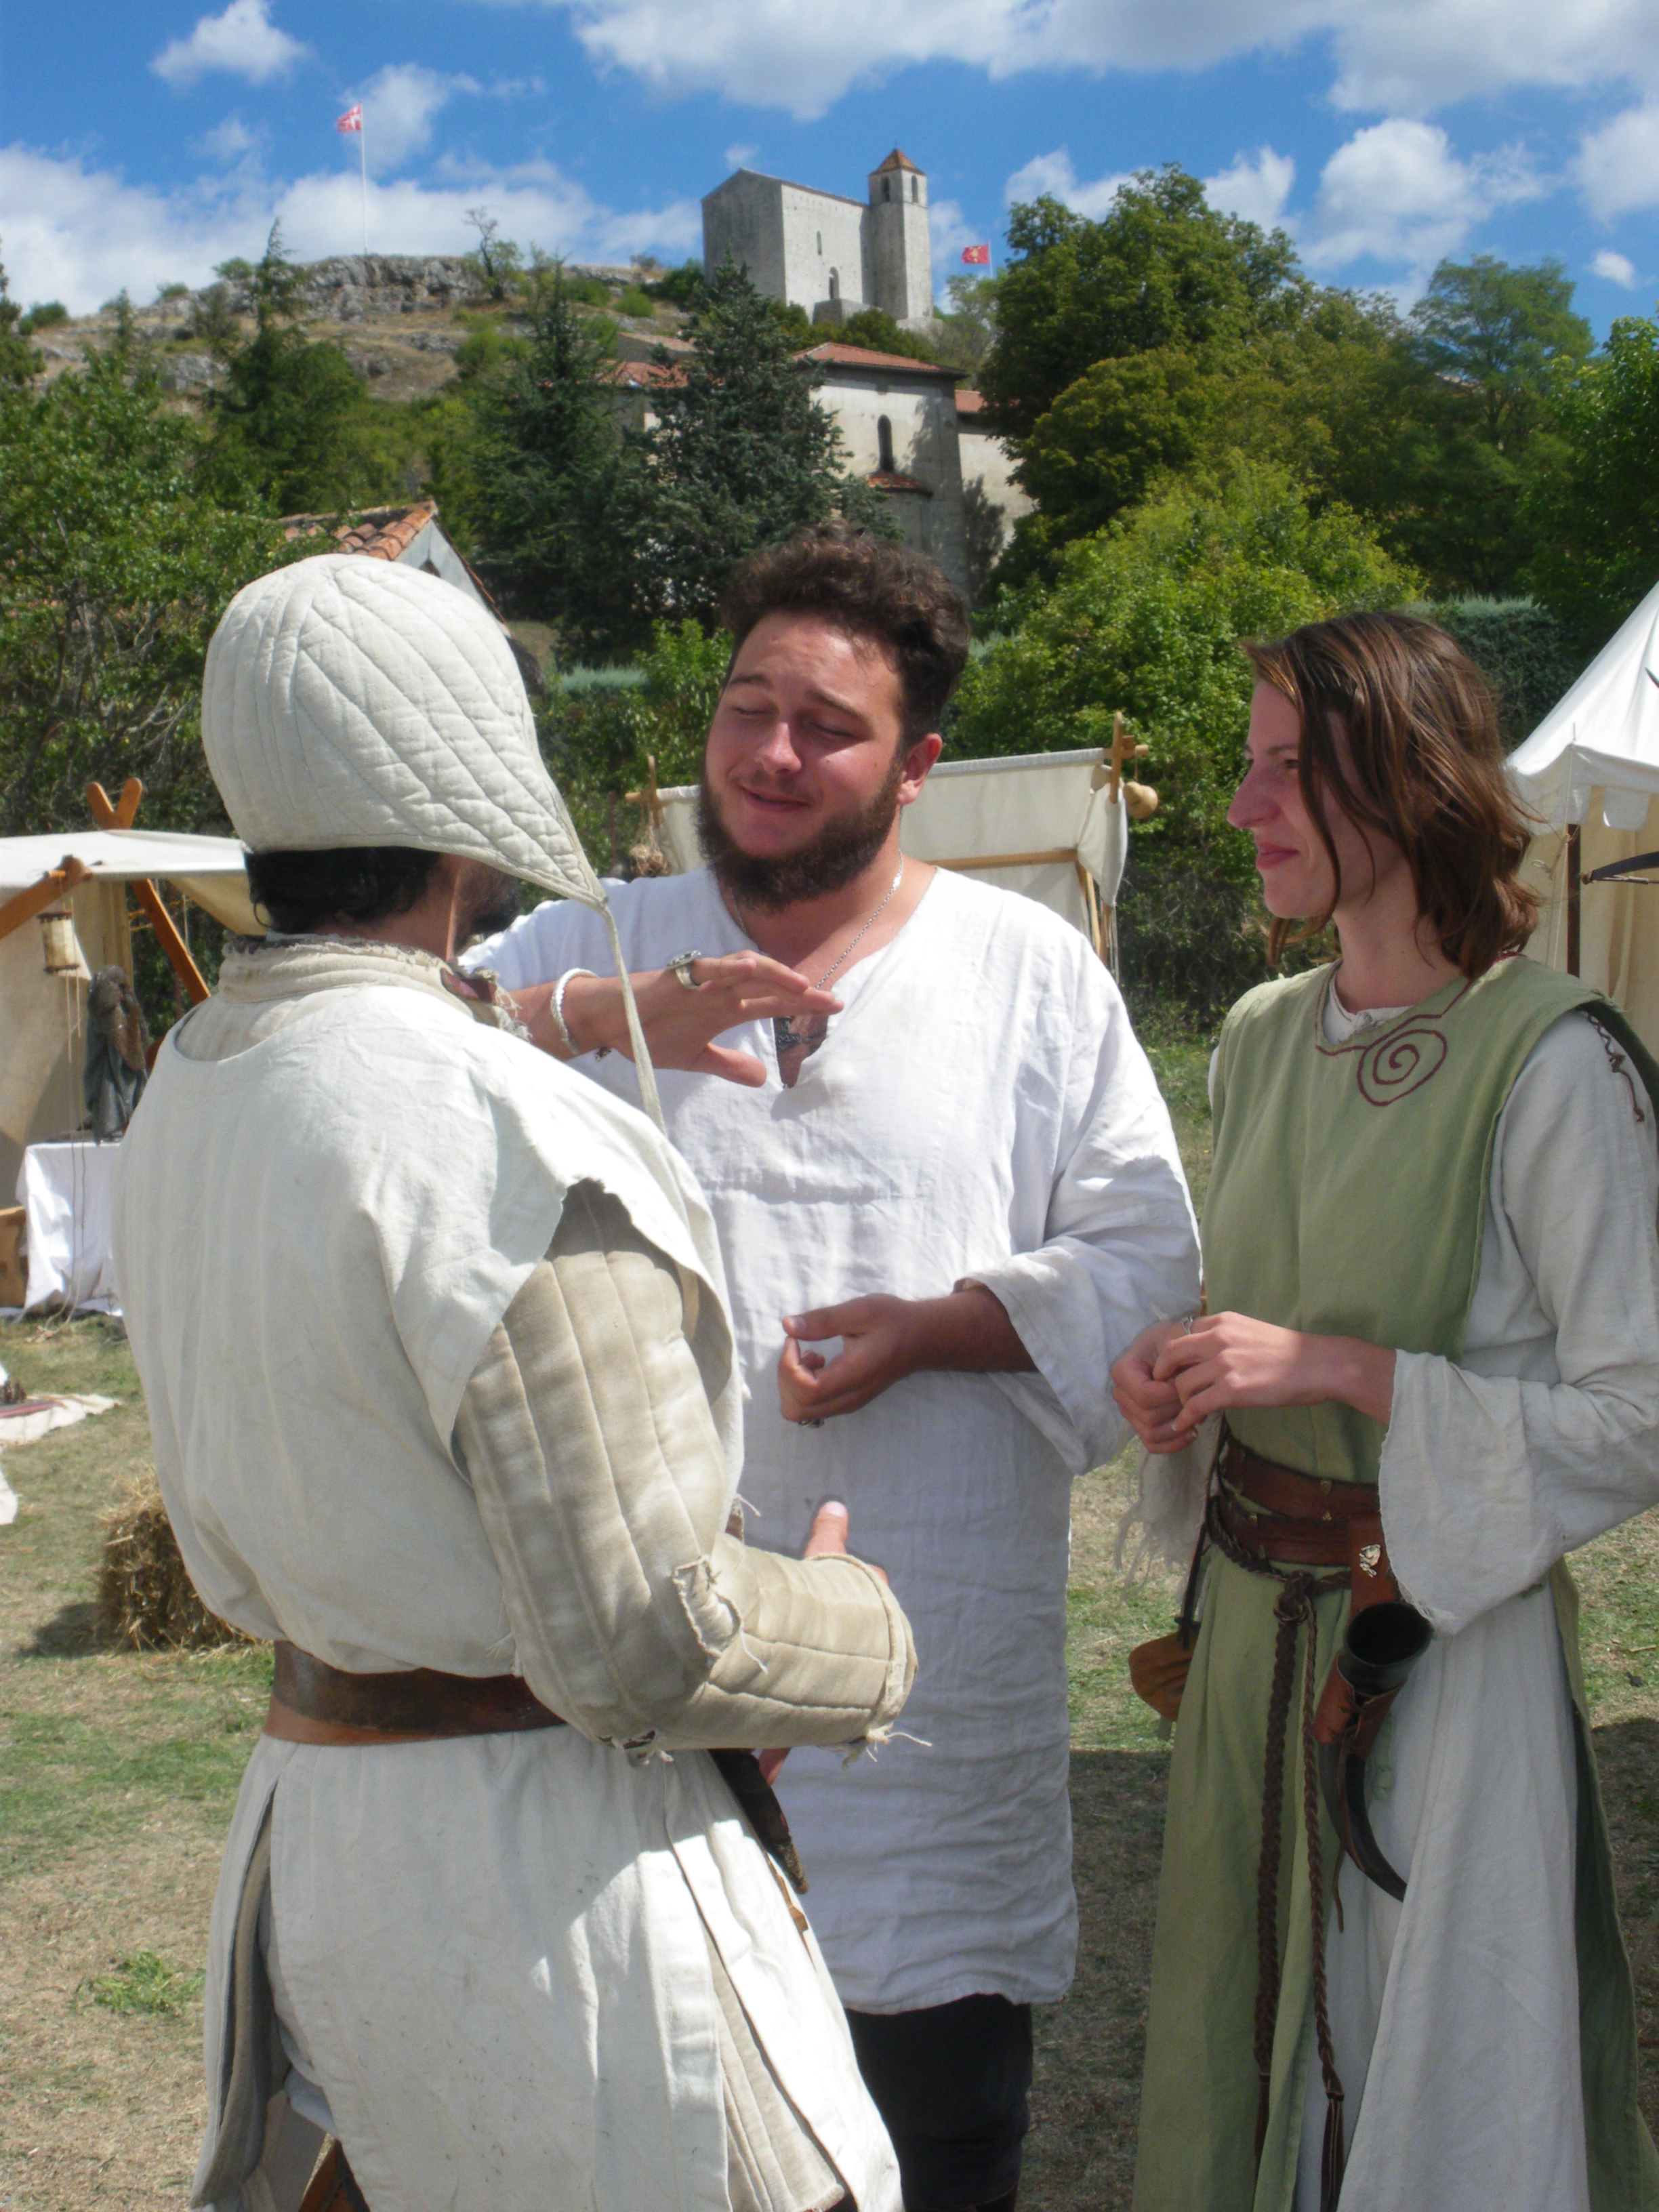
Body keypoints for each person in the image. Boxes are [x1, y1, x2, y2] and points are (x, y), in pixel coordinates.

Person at [110, 551, 921, 2212]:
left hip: (328, 1842)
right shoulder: (500, 1134)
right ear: (462, 802)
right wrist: (861, 1629)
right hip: (547, 1885)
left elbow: (379, 1046)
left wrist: (568, 1010)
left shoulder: (194, 1083)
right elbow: (643, 1637)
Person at [468, 522, 1200, 2212]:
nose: (774, 753)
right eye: (749, 706)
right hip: (629, 1674)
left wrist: (942, 1327)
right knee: (646, 2122)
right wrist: (597, 1013)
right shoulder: (586, 942)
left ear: (918, 765)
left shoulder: (1026, 974)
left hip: (929, 1680)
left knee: (932, 2133)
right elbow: (374, 1058)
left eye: (830, 726)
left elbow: (1149, 1258)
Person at [1112, 611, 1659, 2212]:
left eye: (1289, 770)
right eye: (1250, 764)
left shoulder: (1552, 1063)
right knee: (1248, 2034)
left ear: (1411, 781)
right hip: (1251, 1636)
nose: (1243, 807)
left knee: (1433, 2069)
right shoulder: (1260, 1040)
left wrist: (1347, 1372)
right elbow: (1266, 1306)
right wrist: (1183, 1368)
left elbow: (1640, 1413)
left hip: (1432, 1652)